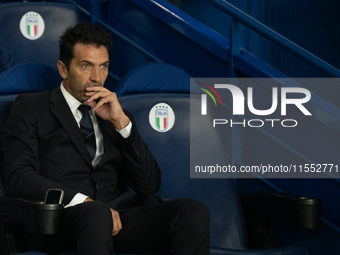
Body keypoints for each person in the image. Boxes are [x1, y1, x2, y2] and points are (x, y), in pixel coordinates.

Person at [1, 23, 209, 255]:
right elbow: (18, 176)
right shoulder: (31, 107)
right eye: (86, 66)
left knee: (193, 211)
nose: (96, 78)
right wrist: (84, 202)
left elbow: (149, 185)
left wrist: (122, 124)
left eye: (103, 67)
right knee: (96, 213)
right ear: (63, 69)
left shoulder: (115, 113)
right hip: (64, 221)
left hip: (119, 219)